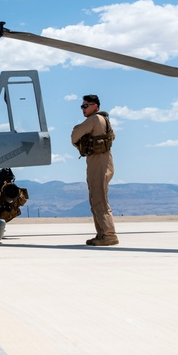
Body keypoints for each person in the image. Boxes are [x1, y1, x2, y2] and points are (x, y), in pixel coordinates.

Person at [71, 95, 118, 246]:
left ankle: (109, 235)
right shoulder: (105, 119)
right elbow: (113, 136)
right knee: (97, 198)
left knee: (99, 200)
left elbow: (74, 136)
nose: (83, 109)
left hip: (98, 163)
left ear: (95, 106)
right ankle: (102, 235)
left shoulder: (94, 119)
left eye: (86, 106)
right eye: (82, 106)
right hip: (105, 162)